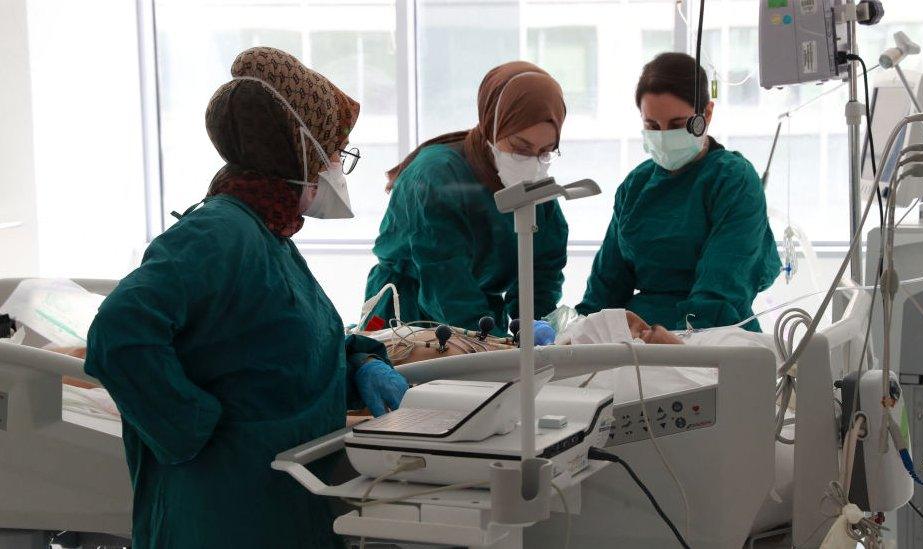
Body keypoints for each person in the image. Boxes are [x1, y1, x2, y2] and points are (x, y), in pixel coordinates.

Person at [84, 47, 408, 549]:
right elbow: (119, 333)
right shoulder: (220, 232)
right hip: (225, 507)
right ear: (299, 151)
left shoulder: (265, 235)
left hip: (274, 501)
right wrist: (194, 430)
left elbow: (278, 350)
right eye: (336, 151)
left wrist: (358, 365)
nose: (338, 168)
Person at [364, 61, 569, 340]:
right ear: (491, 127)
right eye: (521, 148)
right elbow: (446, 282)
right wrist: (497, 345)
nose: (532, 162)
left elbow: (542, 271)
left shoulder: (534, 187)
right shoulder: (436, 177)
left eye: (545, 151)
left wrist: (533, 327)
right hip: (406, 311)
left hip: (480, 312)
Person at [577, 53, 781, 332]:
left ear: (706, 114)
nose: (663, 135)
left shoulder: (733, 181)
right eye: (652, 126)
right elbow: (604, 291)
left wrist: (675, 343)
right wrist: (580, 331)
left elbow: (721, 292)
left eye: (676, 125)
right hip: (637, 339)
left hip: (714, 339)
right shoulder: (635, 186)